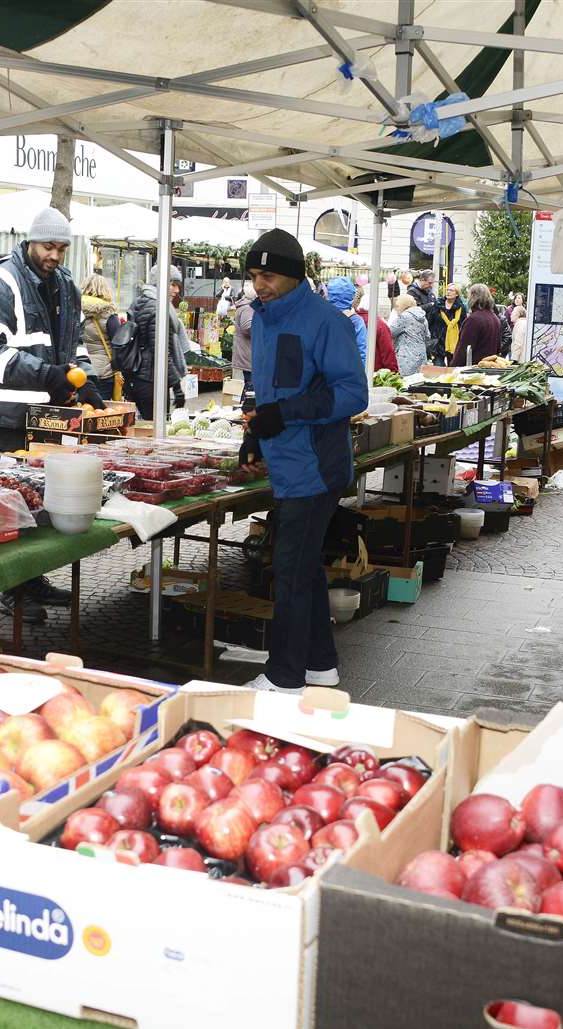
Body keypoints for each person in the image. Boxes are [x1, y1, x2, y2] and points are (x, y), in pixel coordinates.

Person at [0, 206, 100, 622]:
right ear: (31, 242)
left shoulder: (66, 285)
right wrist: (51, 375)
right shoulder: (0, 283)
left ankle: (32, 579)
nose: (54, 255)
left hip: (45, 413)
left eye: (61, 248)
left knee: (37, 503)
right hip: (4, 415)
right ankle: (13, 591)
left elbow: (73, 345)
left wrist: (83, 380)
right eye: (48, 246)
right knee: (10, 503)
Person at [239, 229, 367, 693]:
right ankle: (320, 664)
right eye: (254, 276)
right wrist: (254, 434)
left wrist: (283, 414)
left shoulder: (324, 321)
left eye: (268, 275)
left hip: (316, 468)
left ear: (294, 275)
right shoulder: (266, 318)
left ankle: (285, 676)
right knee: (304, 565)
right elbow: (267, 389)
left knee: (290, 568)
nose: (259, 285)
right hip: (289, 463)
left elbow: (353, 394)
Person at [125, 266, 188, 420]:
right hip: (151, 380)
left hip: (139, 377)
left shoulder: (141, 301)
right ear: (159, 282)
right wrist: (177, 386)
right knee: (155, 431)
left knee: (145, 429)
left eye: (177, 285)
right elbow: (161, 353)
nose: (176, 290)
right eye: (172, 284)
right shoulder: (157, 308)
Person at [78, 272, 122, 401]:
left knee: (84, 410)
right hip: (104, 372)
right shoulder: (109, 313)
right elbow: (118, 343)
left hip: (81, 369)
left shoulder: (76, 309)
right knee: (102, 410)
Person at [453, 283, 501, 365]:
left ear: (472, 297)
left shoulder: (473, 320)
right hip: (489, 368)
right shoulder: (495, 318)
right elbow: (498, 348)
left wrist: (453, 367)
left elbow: (464, 350)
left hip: (473, 370)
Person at [354, 284, 397, 373]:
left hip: (354, 370)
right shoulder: (379, 324)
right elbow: (387, 351)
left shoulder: (352, 320)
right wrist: (393, 371)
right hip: (375, 373)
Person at [388, 293, 431, 376]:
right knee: (418, 383)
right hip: (422, 355)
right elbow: (427, 336)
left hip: (407, 357)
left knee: (406, 383)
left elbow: (390, 332)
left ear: (403, 304)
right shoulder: (422, 316)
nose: (397, 308)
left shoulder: (404, 317)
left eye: (397, 305)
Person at [326, 277, 367, 359]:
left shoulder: (320, 317)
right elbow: (361, 354)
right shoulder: (356, 322)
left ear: (329, 295)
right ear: (351, 296)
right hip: (349, 369)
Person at [232, 281, 256, 393]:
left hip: (245, 352)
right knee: (250, 388)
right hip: (247, 354)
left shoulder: (246, 306)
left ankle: (242, 407)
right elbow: (247, 326)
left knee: (248, 386)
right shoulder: (248, 307)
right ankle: (244, 408)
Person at [437, 282, 466, 362]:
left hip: (454, 343)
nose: (448, 292)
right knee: (438, 369)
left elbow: (463, 324)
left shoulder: (461, 307)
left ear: (457, 294)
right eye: (447, 290)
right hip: (439, 341)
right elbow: (432, 321)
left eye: (451, 290)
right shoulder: (438, 305)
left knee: (452, 368)